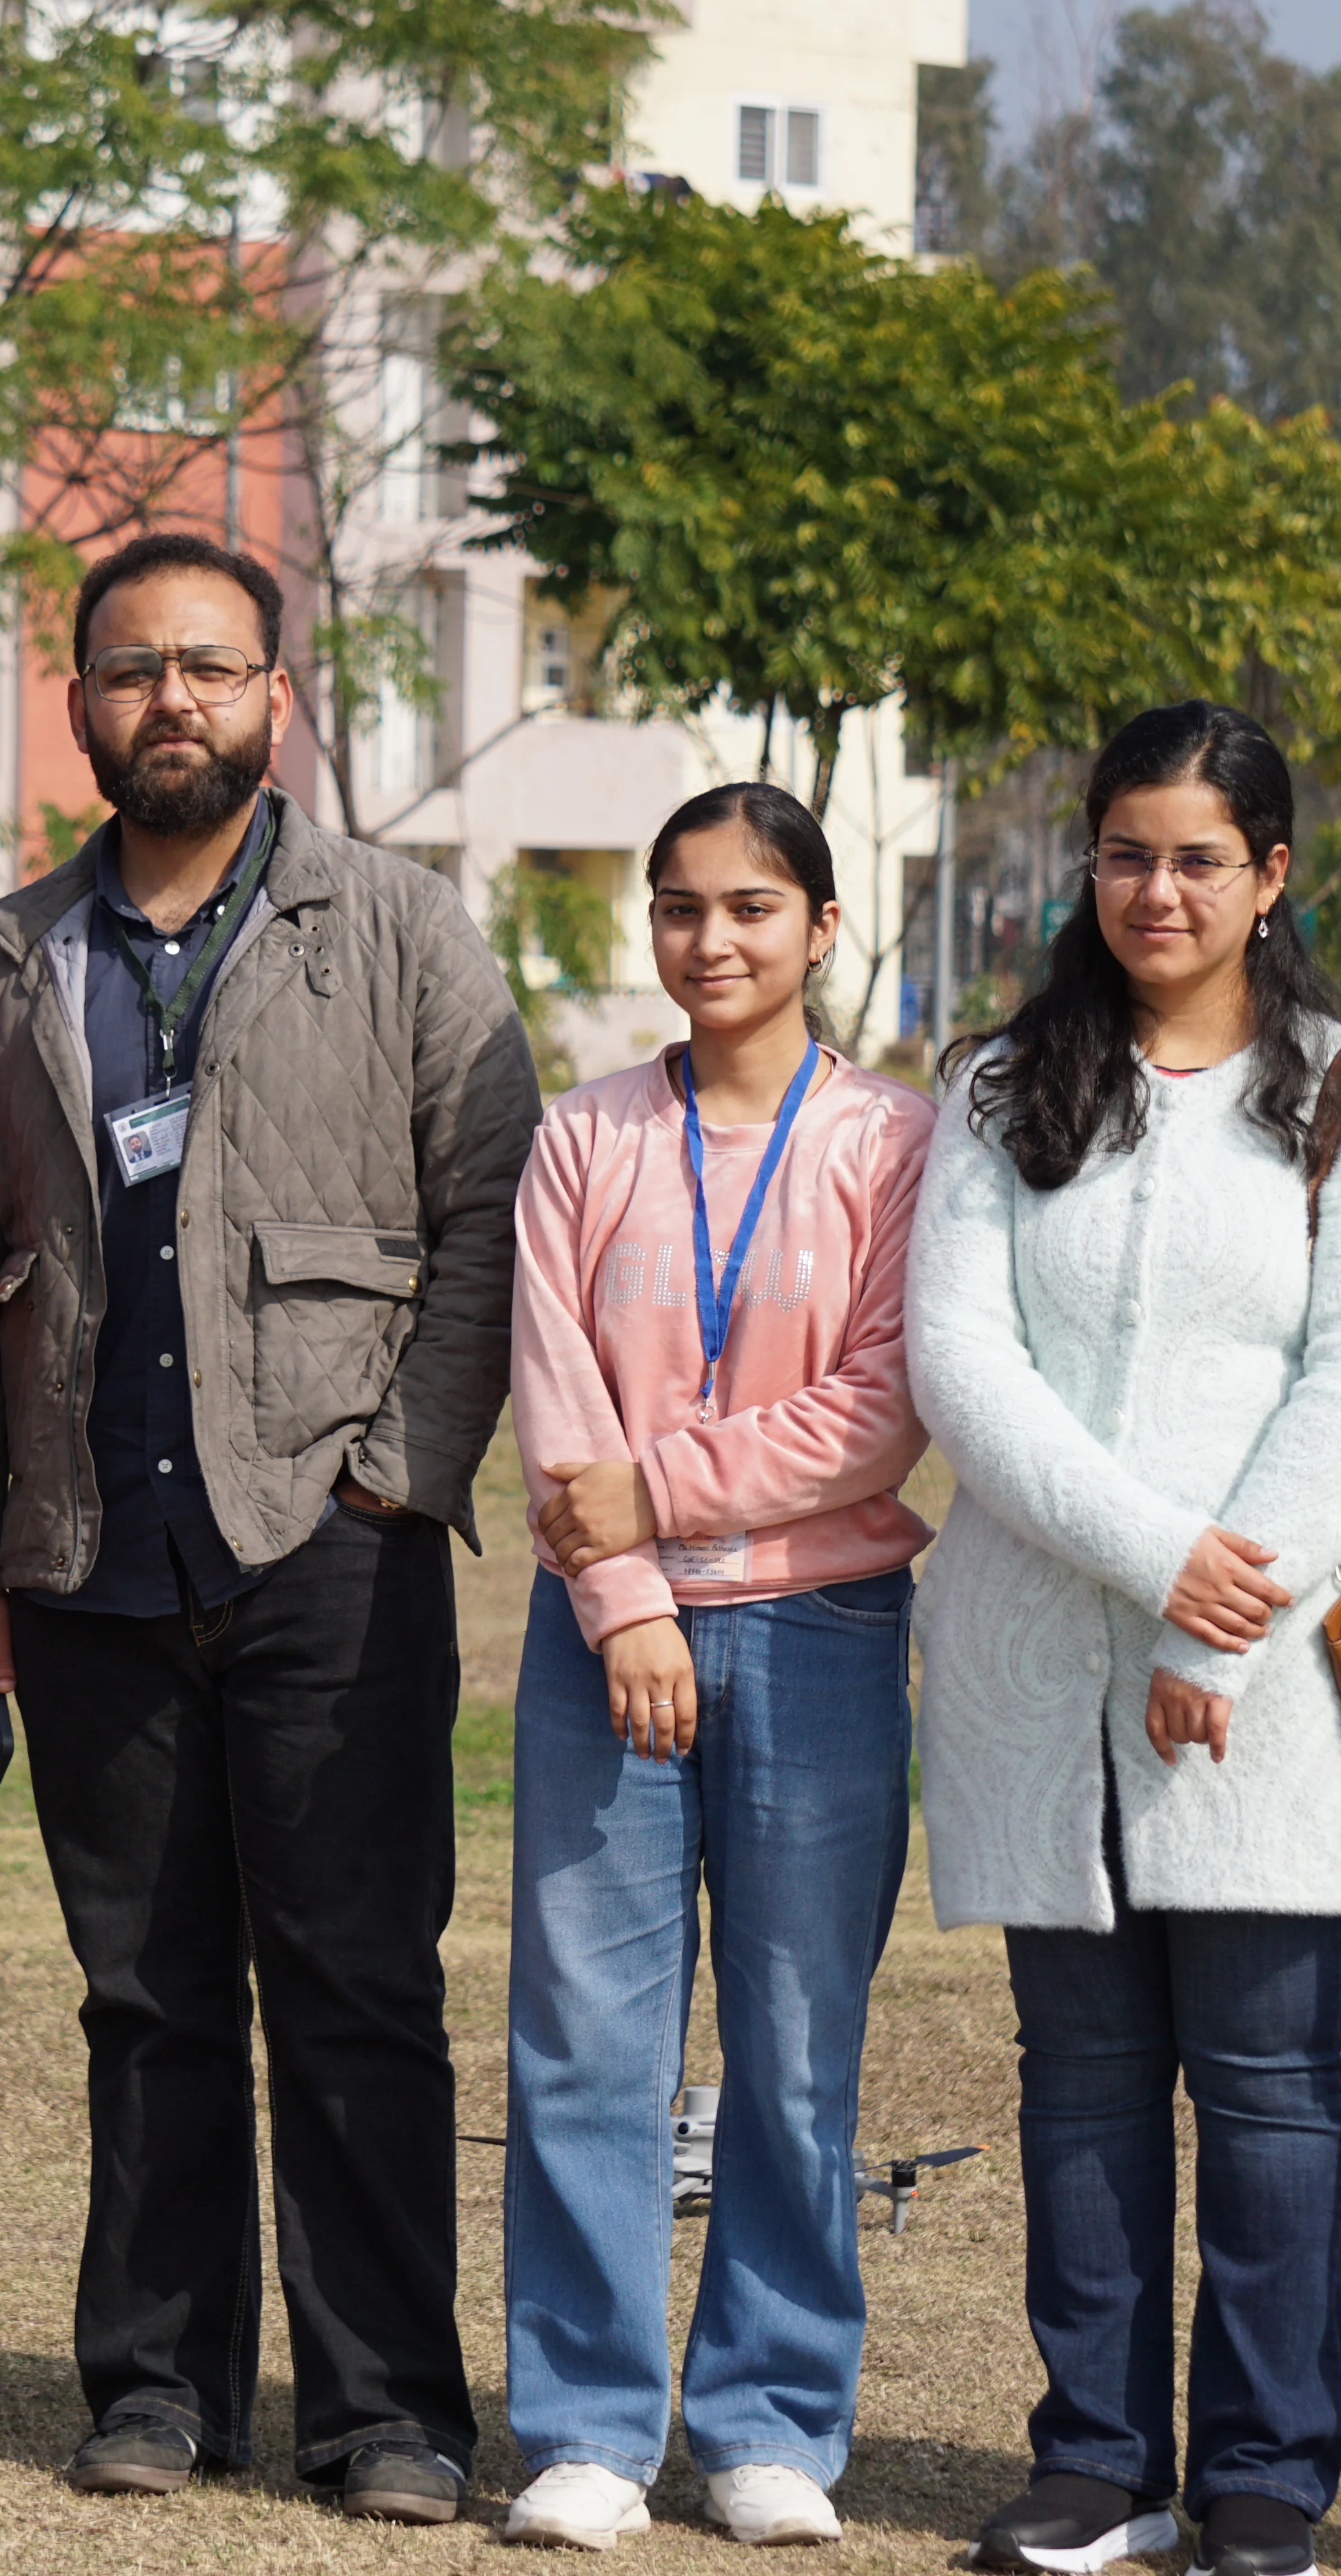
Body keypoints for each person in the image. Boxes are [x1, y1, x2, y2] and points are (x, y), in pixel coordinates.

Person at [0, 529, 540, 2524]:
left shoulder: (404, 926)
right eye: (127, 670)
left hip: (328, 1539)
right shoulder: (6, 962)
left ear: (281, 696)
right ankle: (160, 2384)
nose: (166, 700)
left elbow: (489, 1225)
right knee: (147, 1993)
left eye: (206, 667)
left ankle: (390, 2414)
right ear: (78, 702)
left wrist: (396, 1479)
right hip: (90, 1551)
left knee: (355, 1981)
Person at [911, 704, 1341, 2576]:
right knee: (1075, 2078)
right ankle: (1094, 2460)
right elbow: (964, 1372)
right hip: (1036, 1662)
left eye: (1201, 857)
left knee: (1267, 2086)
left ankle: (1260, 2479)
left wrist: (1218, 1627)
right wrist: (1162, 1563)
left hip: (1269, 1674)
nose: (1160, 889)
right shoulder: (997, 1085)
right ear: (1089, 863)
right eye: (1128, 851)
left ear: (1272, 877)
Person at [496, 783, 936, 2554]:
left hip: (824, 1629)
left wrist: (663, 1495)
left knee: (797, 2045)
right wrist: (631, 1594)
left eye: (754, 906)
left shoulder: (896, 1145)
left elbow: (886, 1404)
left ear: (822, 927)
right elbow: (552, 1391)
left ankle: (771, 2417)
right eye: (681, 907)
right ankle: (588, 2424)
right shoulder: (585, 1134)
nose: (712, 939)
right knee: (589, 2042)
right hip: (602, 1636)